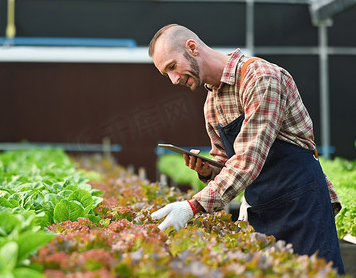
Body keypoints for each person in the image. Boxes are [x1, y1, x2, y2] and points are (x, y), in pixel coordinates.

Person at [148, 24, 345, 274]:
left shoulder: (260, 77)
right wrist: (208, 170)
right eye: (167, 75)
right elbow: (225, 160)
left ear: (192, 47)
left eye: (173, 67)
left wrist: (193, 206)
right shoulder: (212, 102)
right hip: (262, 209)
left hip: (301, 204)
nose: (174, 80)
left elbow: (248, 159)